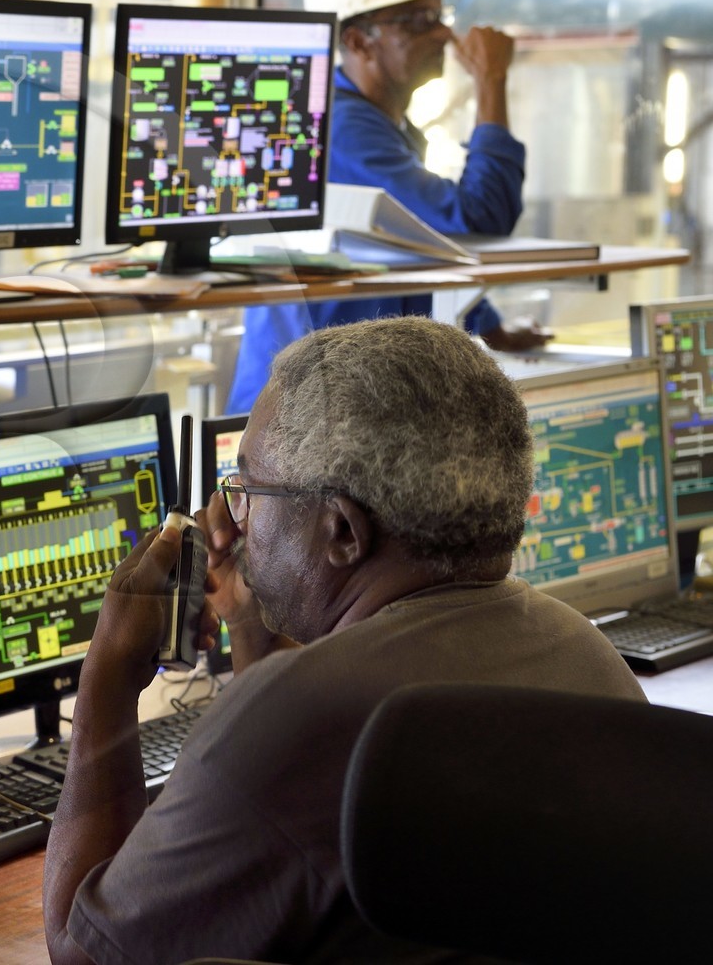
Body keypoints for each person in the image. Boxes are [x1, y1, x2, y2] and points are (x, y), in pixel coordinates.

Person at [43, 317, 645, 964]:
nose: (236, 517)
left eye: (249, 489)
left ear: (342, 533)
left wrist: (107, 671)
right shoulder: (589, 656)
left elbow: (84, 951)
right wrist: (251, 621)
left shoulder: (300, 719)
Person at [226, 0, 549, 414]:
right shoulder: (341, 128)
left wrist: (486, 324)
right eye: (418, 21)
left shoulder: (383, 125)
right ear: (358, 41)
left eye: (440, 16)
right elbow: (479, 221)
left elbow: (420, 246)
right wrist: (491, 80)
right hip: (305, 420)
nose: (443, 33)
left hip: (351, 401)